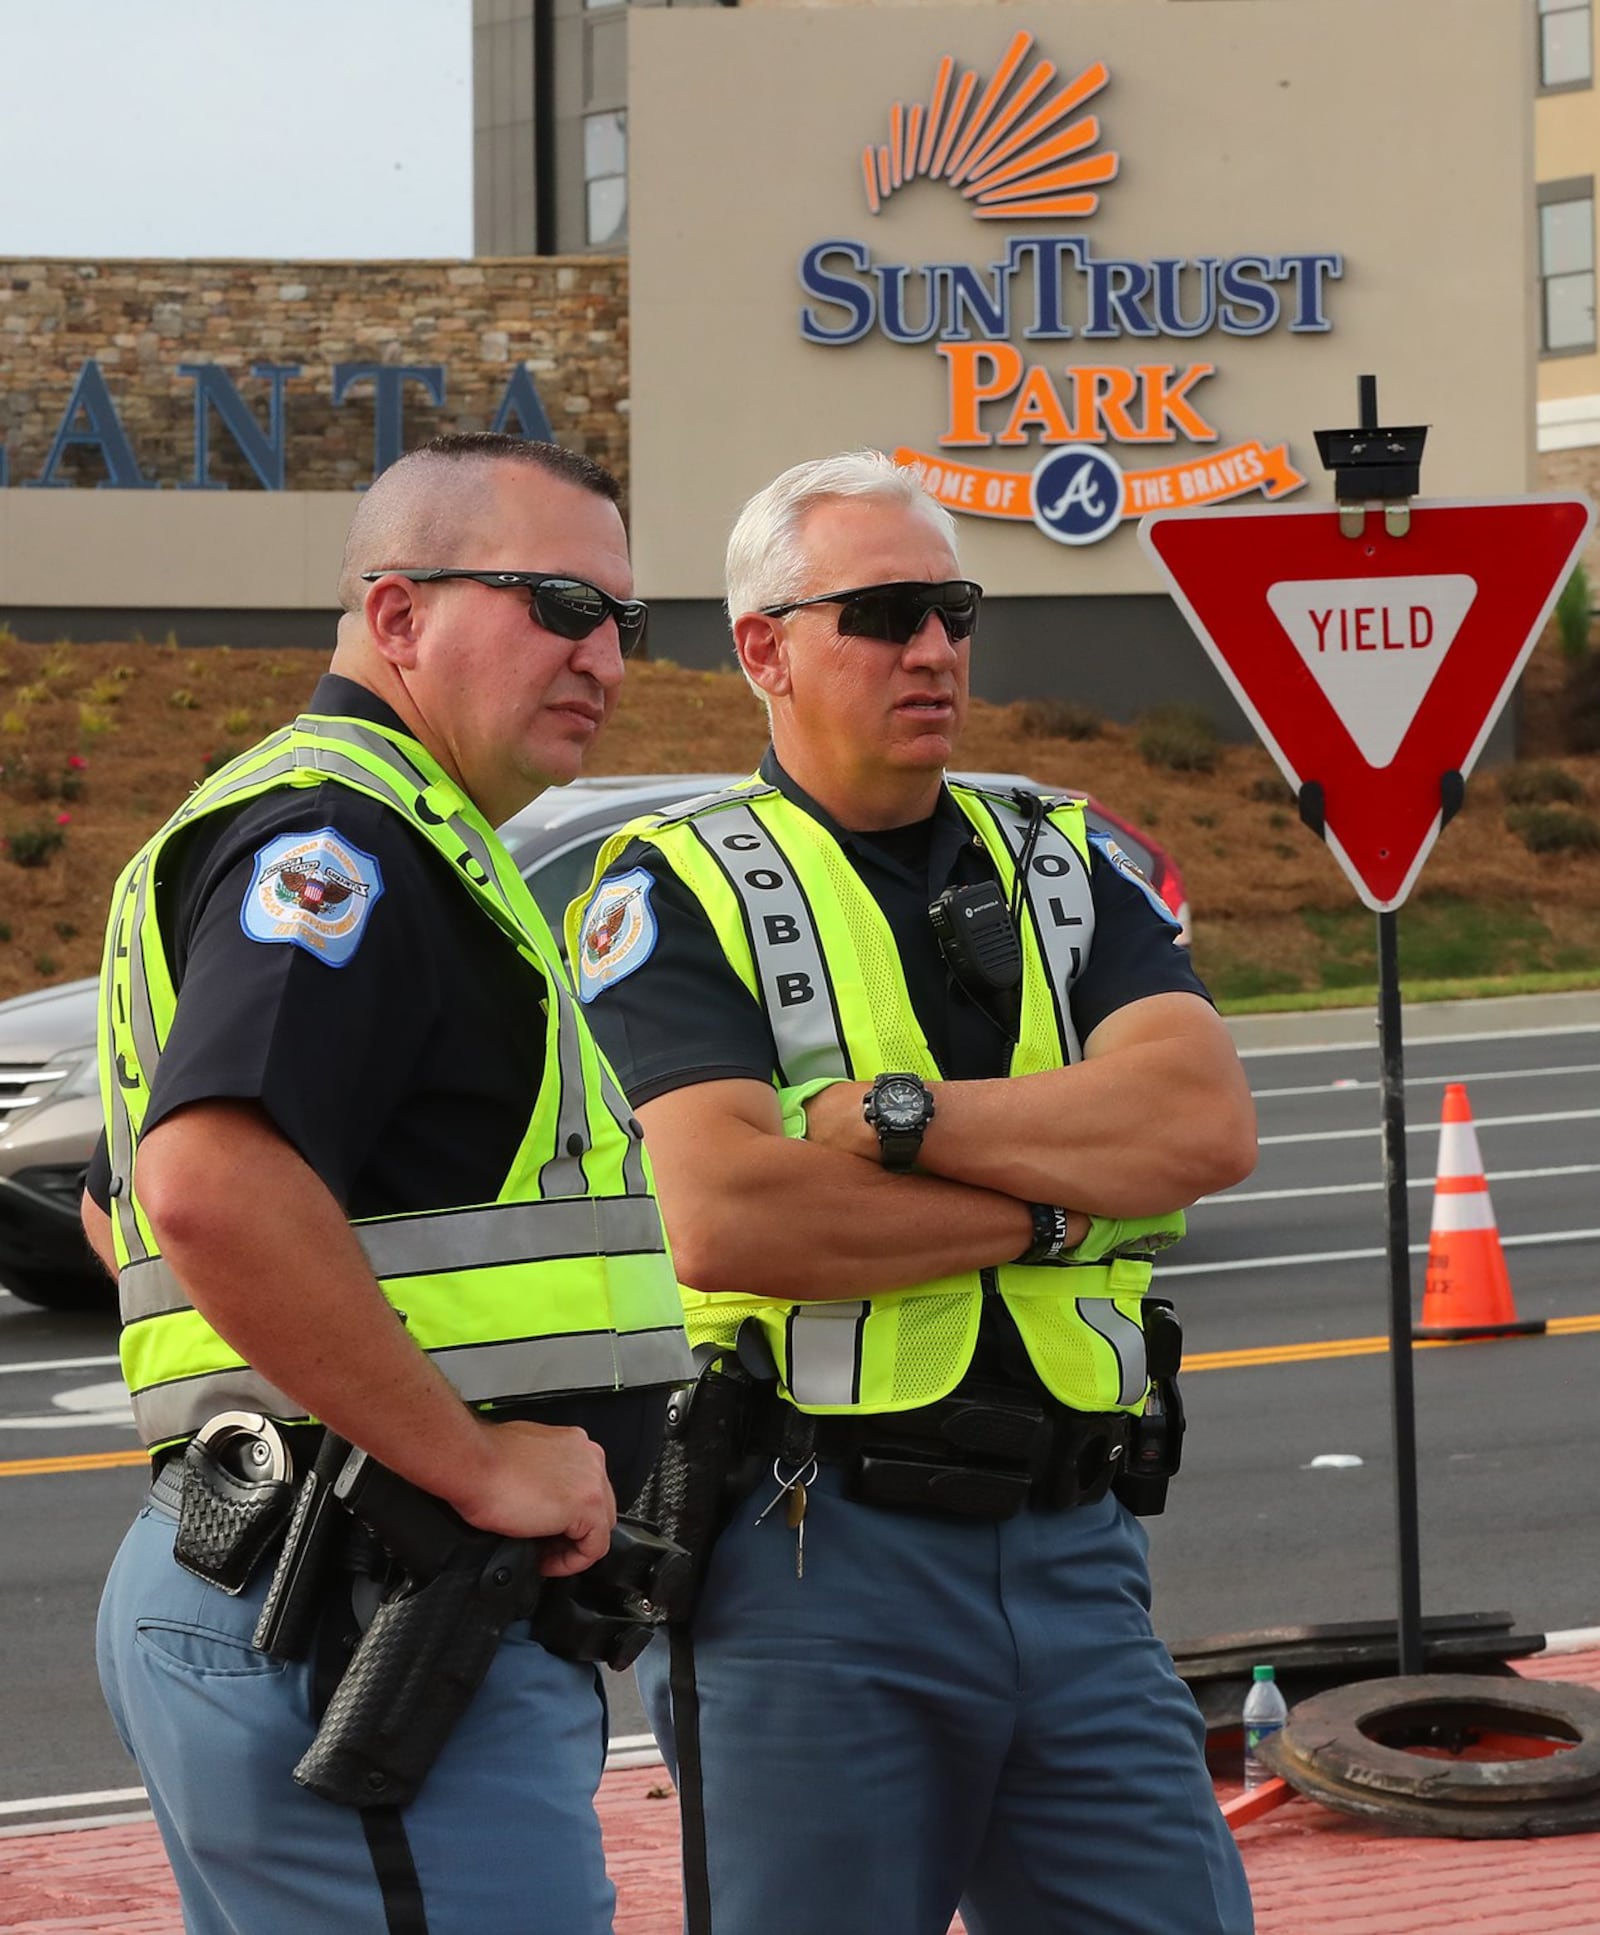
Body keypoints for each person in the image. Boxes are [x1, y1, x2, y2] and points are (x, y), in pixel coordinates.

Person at [568, 450, 1260, 1935]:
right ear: (765, 648)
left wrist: (894, 1122)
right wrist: (1061, 1207)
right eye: (885, 613)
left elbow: (1201, 1126)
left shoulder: (1068, 857)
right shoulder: (673, 884)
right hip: (812, 1562)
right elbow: (735, 1215)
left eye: (954, 609)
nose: (935, 647)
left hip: (1081, 1553)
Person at [80, 431, 693, 1935]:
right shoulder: (346, 836)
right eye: (555, 601)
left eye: (625, 618)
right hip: (366, 1606)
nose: (603, 654)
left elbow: (126, 1224)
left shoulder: (345, 825)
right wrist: (476, 1465)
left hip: (312, 1586)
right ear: (399, 612)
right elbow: (211, 1185)